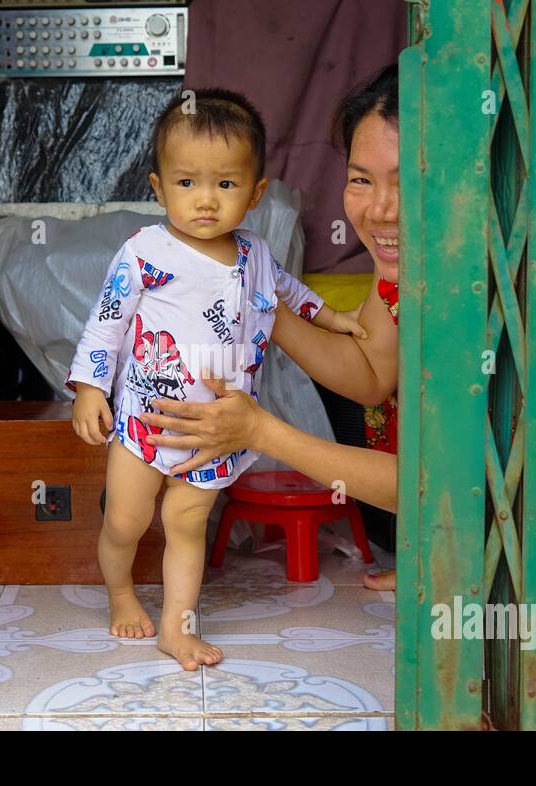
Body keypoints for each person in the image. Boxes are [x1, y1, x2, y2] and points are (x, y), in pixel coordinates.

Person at [66, 89, 366, 671]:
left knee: (186, 523)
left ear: (254, 194)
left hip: (218, 431)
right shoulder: (144, 252)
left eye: (225, 185)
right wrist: (89, 388)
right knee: (125, 521)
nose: (205, 200)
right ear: (158, 188)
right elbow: (105, 324)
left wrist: (338, 319)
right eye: (187, 183)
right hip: (145, 423)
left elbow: (291, 294)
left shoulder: (255, 254)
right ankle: (121, 592)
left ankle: (178, 629)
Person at [139, 65, 403, 591]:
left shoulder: (484, 302)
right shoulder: (401, 267)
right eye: (360, 180)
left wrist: (260, 430)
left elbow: (432, 483)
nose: (380, 210)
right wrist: (259, 300)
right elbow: (374, 374)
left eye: (409, 183)